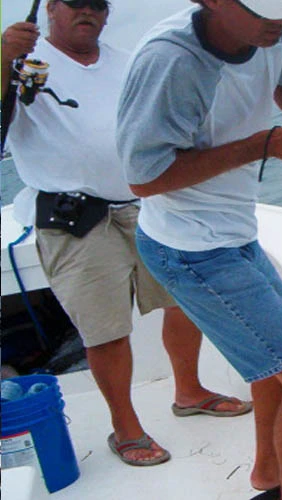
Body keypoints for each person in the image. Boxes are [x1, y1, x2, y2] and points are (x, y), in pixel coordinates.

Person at [116, 0, 282, 497]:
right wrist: (267, 144)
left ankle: (271, 472)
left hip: (233, 231)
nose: (279, 17)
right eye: (263, 6)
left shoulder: (275, 24)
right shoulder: (171, 62)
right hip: (188, 247)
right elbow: (143, 179)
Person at [1, 0, 251, 468]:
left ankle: (189, 390)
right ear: (51, 8)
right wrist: (1, 61)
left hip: (147, 204)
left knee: (186, 298)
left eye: (97, 4)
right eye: (74, 2)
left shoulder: (127, 60)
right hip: (73, 219)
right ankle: (126, 428)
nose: (87, 11)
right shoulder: (18, 62)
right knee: (106, 329)